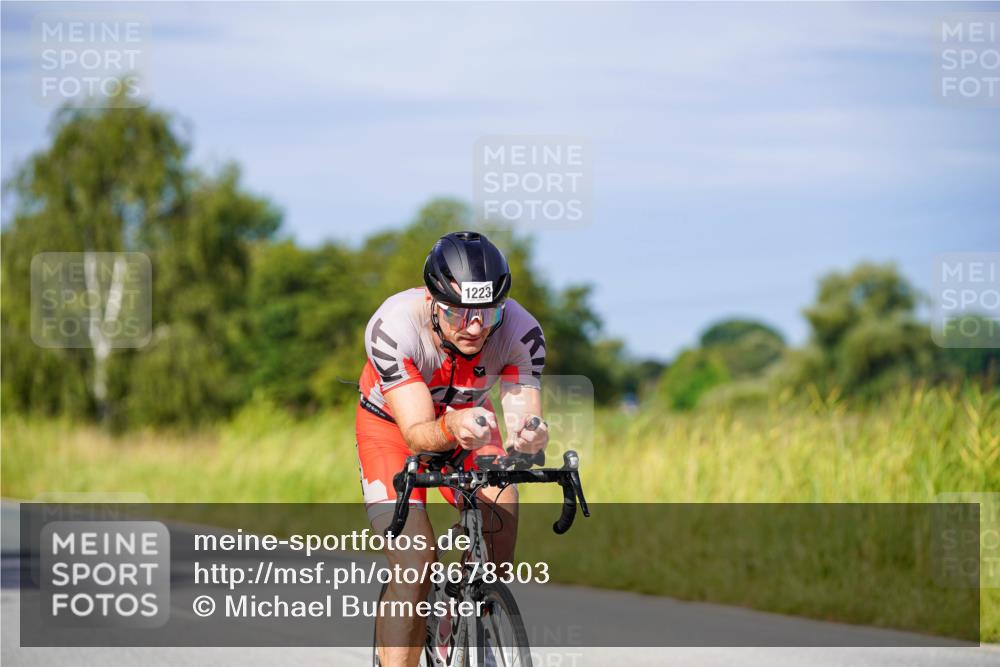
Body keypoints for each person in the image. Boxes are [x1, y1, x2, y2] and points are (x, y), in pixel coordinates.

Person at [356, 231, 548, 667]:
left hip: (469, 423)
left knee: (503, 503)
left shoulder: (522, 331)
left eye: (488, 312)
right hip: (393, 429)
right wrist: (454, 424)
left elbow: (523, 418)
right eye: (461, 314)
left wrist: (531, 436)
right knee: (416, 560)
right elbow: (419, 434)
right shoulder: (394, 326)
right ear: (433, 300)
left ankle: (465, 617)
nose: (477, 327)